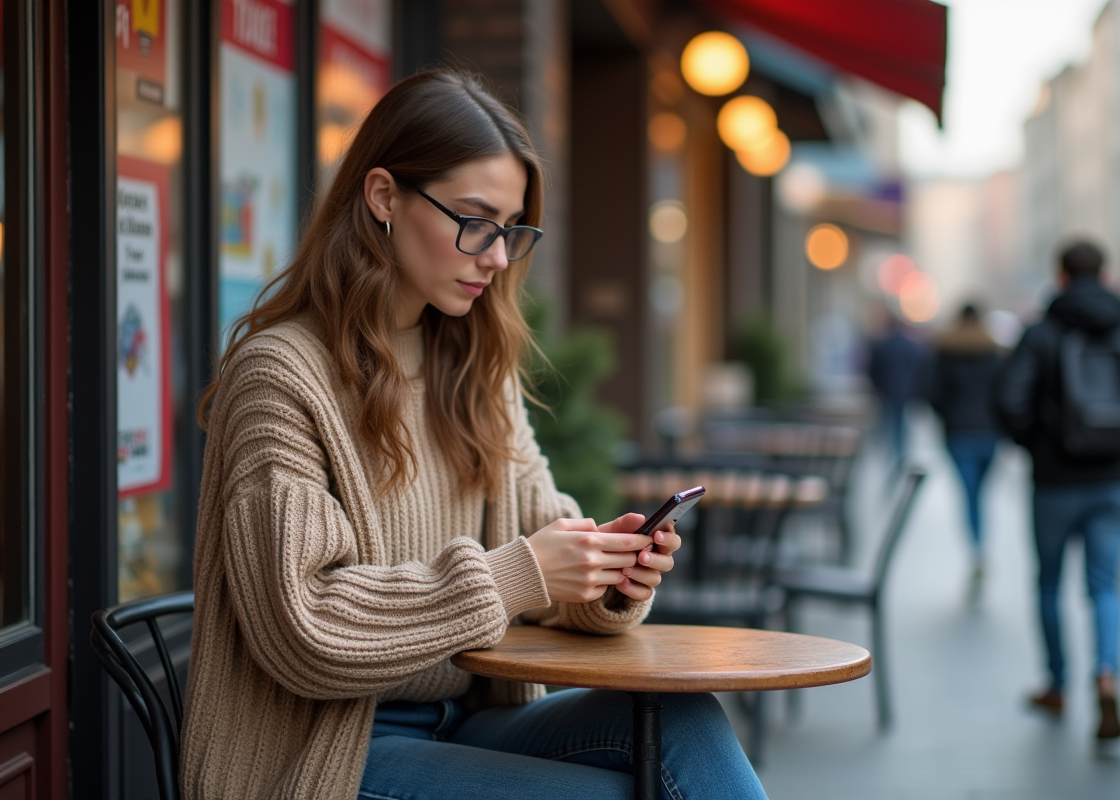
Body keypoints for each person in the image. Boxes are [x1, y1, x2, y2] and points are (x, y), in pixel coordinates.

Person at [181, 70, 765, 800]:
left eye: (512, 230)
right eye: (475, 221)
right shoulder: (280, 376)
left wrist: (606, 574)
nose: (495, 255)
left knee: (687, 724)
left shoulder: (474, 368)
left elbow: (542, 548)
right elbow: (306, 627)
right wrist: (520, 572)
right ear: (384, 197)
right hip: (321, 755)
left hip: (460, 719)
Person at [994, 240, 1120, 742]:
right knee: (1104, 586)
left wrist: (1039, 443)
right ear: (1104, 272)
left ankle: (1057, 684)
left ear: (1060, 275)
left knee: (1049, 584)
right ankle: (1108, 674)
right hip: (1114, 483)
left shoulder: (1041, 333)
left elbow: (1010, 402)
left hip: (1054, 484)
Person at [929, 303, 1003, 588]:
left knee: (969, 494)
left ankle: (976, 549)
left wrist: (949, 416)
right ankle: (980, 547)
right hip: (989, 433)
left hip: (959, 433)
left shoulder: (947, 351)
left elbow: (933, 394)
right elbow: (1005, 392)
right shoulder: (993, 352)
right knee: (981, 494)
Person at [867, 312, 928, 466]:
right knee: (900, 422)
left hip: (886, 391)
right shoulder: (911, 346)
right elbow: (920, 369)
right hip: (905, 392)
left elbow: (873, 370)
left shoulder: (882, 345)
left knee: (891, 422)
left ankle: (893, 454)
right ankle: (900, 452)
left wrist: (878, 387)